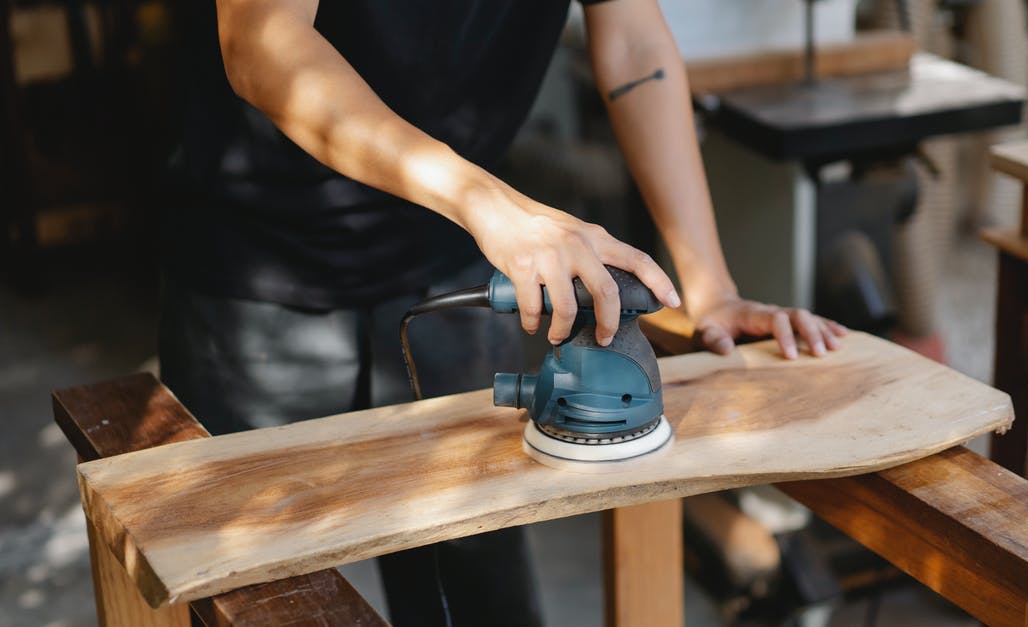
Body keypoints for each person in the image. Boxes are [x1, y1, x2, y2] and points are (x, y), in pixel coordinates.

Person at [158, 1, 848, 625]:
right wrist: (488, 203)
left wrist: (709, 286)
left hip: (445, 254)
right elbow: (262, 41)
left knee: (479, 592)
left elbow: (633, 37)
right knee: (254, 600)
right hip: (256, 269)